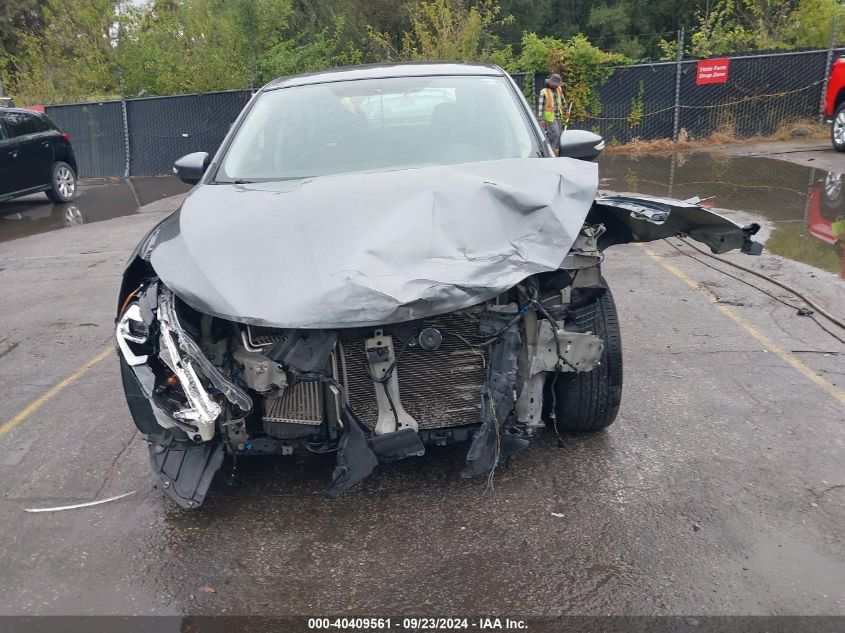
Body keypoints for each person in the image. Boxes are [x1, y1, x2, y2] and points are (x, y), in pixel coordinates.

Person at [537, 73, 567, 153]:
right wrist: (541, 119)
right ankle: (549, 148)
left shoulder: (559, 89)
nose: (557, 85)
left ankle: (553, 149)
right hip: (549, 117)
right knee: (554, 132)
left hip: (558, 115)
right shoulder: (544, 92)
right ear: (550, 83)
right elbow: (540, 106)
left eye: (558, 84)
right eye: (555, 84)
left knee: (558, 133)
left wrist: (566, 109)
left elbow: (562, 99)